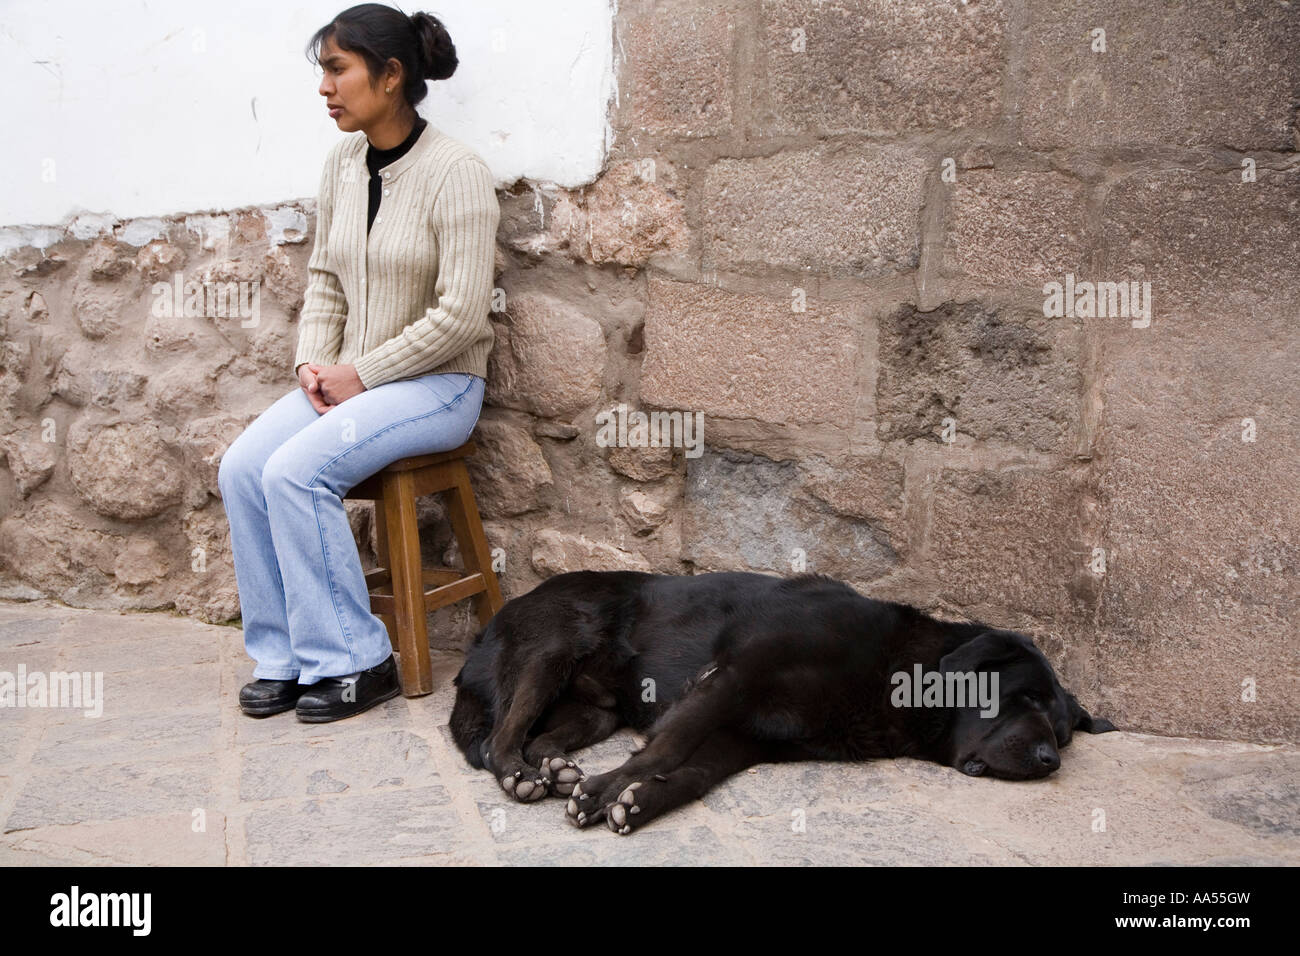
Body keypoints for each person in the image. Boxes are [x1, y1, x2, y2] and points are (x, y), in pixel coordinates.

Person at [216, 4, 499, 723]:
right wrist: (315, 363)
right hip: (348, 385)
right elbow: (326, 281)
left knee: (296, 471)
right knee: (244, 468)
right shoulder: (343, 164)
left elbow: (462, 314)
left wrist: (362, 375)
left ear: (392, 75)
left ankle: (355, 658)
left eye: (338, 69)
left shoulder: (458, 173)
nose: (325, 88)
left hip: (438, 387)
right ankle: (282, 656)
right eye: (324, 71)